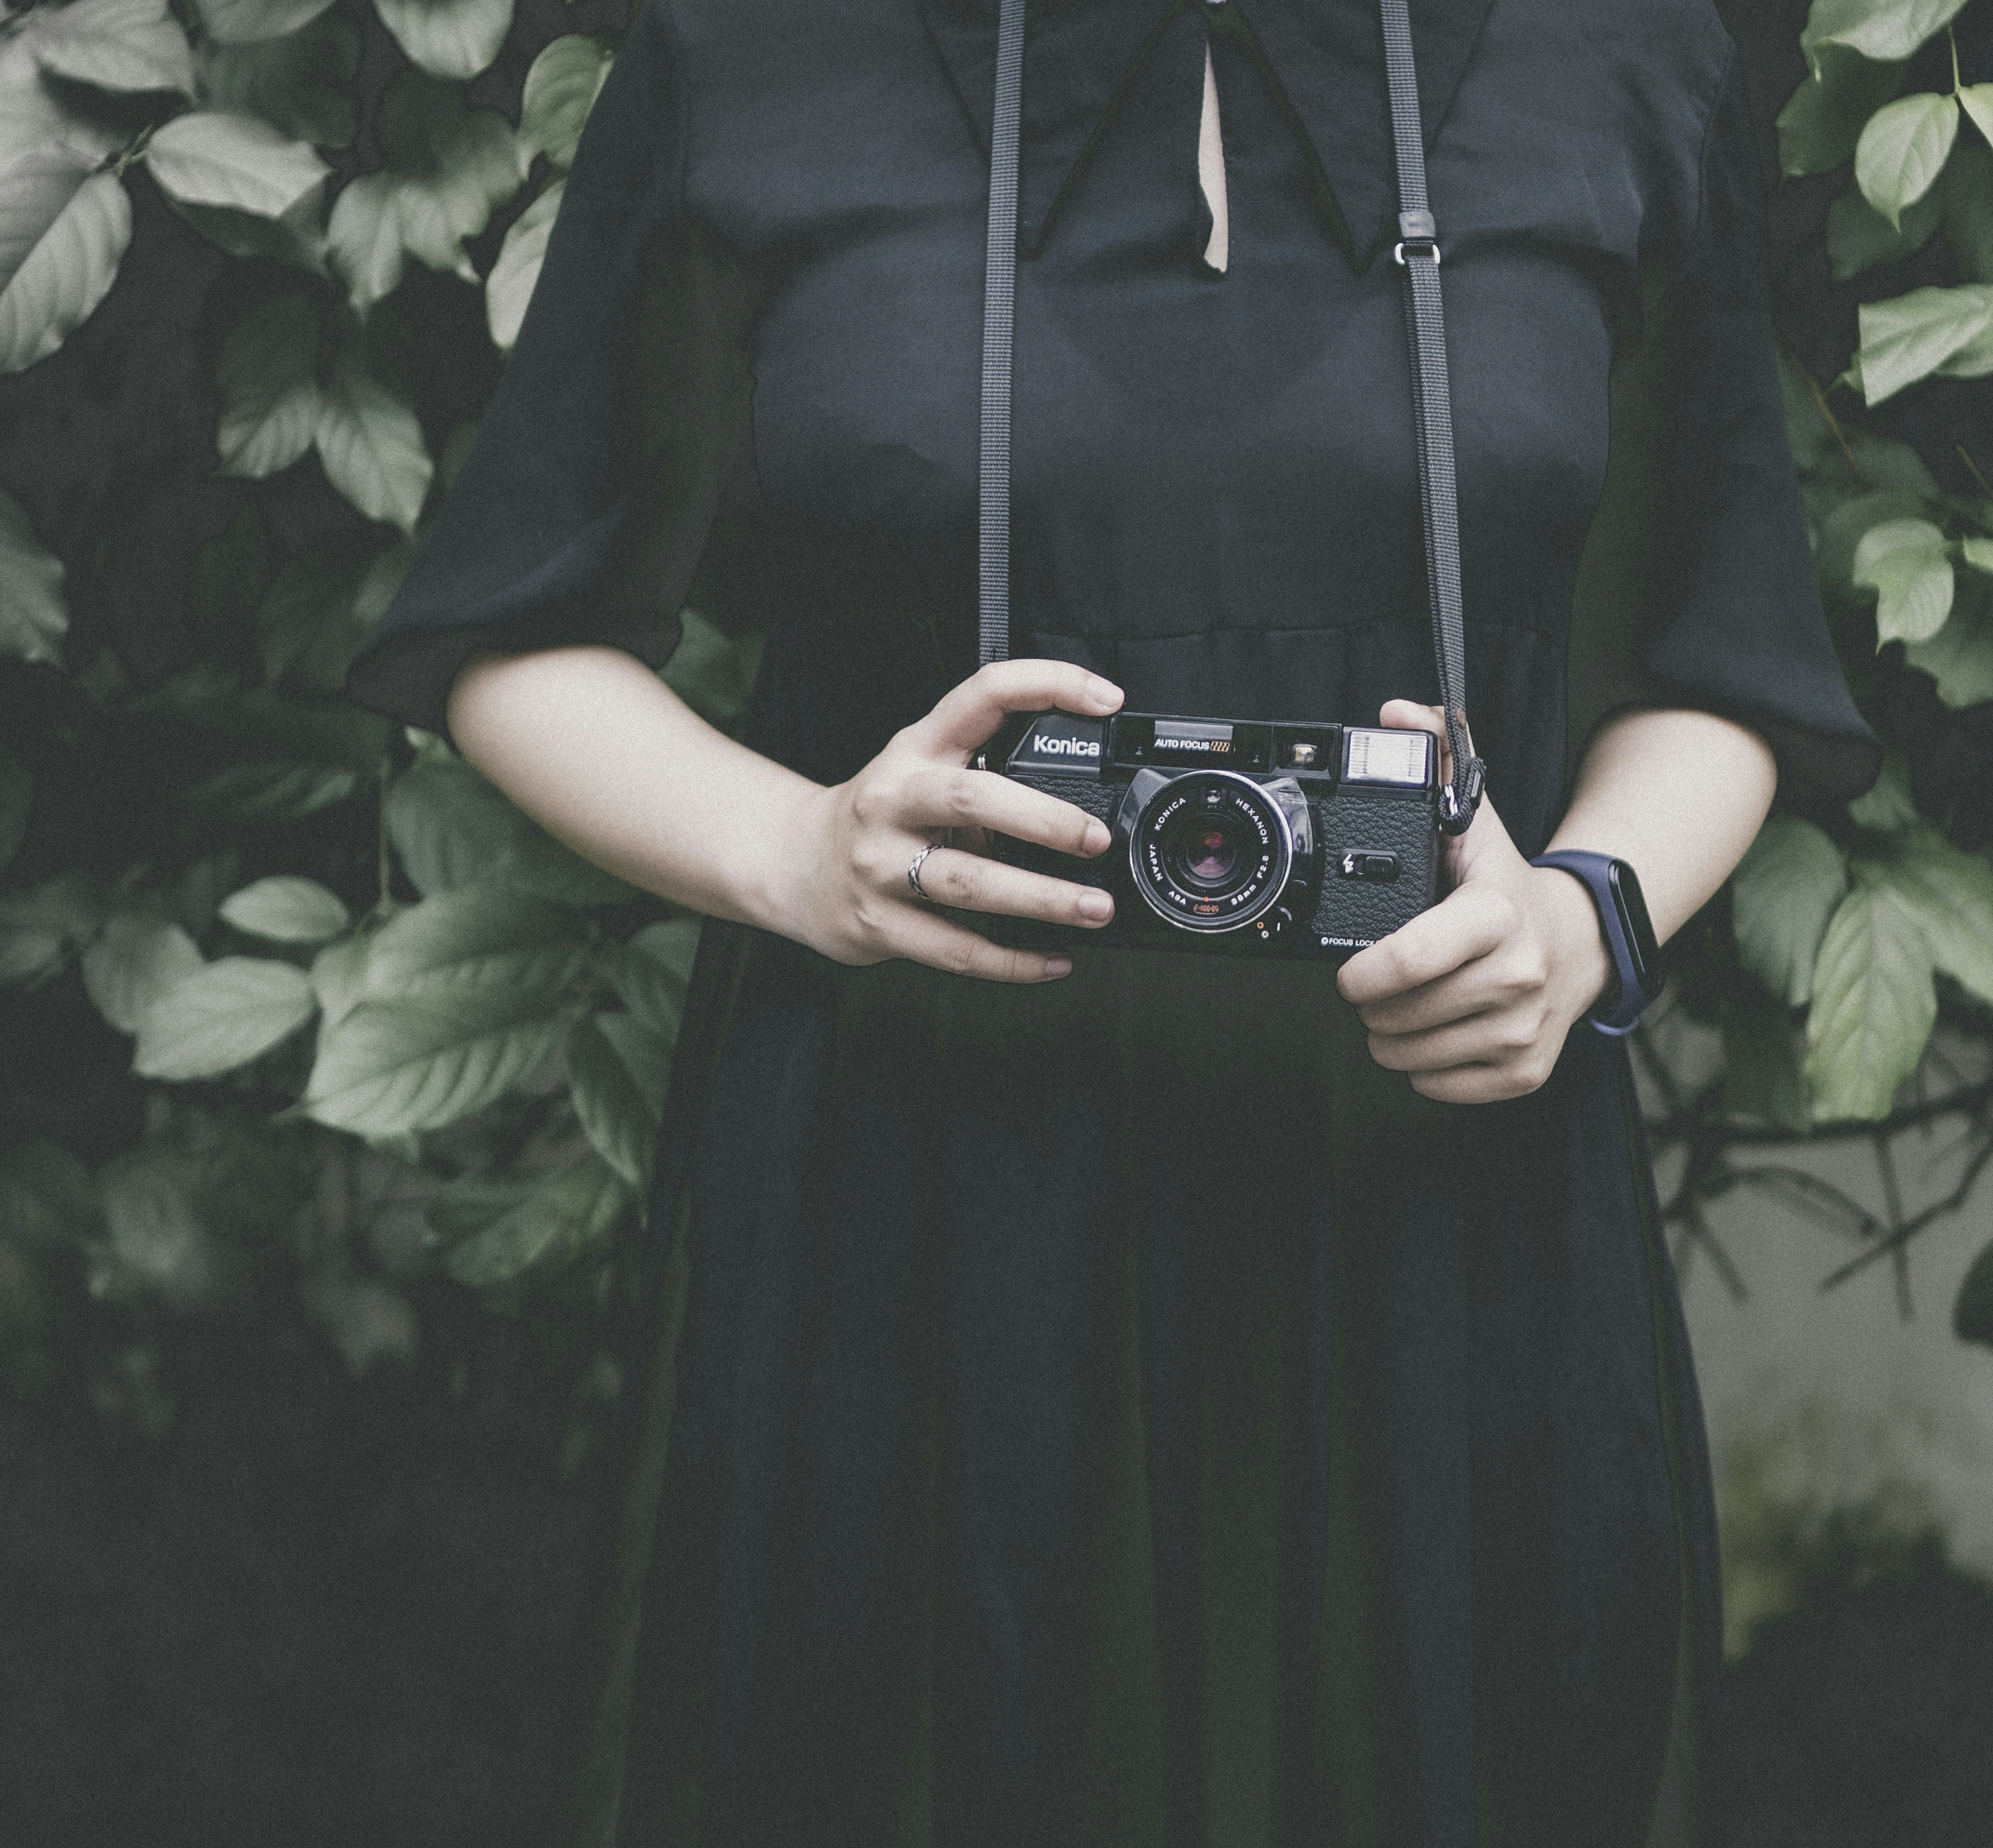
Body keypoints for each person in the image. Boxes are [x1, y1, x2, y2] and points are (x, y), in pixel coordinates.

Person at [345, 0, 1878, 1840]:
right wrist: (796, 849)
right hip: (911, 1206)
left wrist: (1582, 919)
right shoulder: (762, 47)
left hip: (1437, 1216)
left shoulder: (1614, 51)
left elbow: (1728, 650)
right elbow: (518, 627)